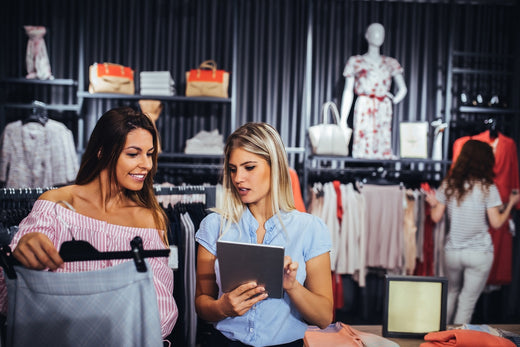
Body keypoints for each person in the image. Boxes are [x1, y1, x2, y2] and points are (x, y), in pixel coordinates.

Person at [0, 107, 178, 338]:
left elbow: (161, 312)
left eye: (150, 154)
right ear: (102, 152)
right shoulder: (58, 205)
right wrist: (26, 248)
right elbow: (9, 294)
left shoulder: (149, 219)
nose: (147, 164)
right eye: (133, 154)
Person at [195, 122, 333, 347]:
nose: (238, 178)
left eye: (249, 167)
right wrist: (222, 308)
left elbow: (324, 317)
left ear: (275, 166)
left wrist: (292, 286)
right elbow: (201, 304)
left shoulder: (311, 229)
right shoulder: (214, 225)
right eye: (233, 169)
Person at [425, 139, 520, 324]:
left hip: (453, 252)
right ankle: (457, 341)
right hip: (479, 253)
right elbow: (497, 223)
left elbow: (436, 217)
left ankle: (439, 337)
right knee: (466, 302)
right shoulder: (487, 187)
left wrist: (433, 204)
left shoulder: (449, 184)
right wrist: (511, 204)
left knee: (450, 294)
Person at [340, 22, 407, 159]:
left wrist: (393, 99)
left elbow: (403, 88)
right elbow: (348, 91)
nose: (377, 35)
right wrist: (342, 120)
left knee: (382, 140)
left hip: (383, 105)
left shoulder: (390, 62)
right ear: (366, 35)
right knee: (363, 143)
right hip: (364, 105)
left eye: (381, 32)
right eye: (374, 31)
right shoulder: (356, 62)